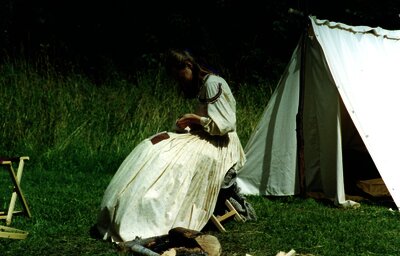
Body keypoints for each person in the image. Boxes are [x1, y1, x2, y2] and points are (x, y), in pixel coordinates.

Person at [96, 49, 246, 242]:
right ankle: (127, 206)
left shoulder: (213, 84)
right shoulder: (203, 85)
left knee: (170, 160)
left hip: (222, 146)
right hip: (209, 138)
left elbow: (225, 125)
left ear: (189, 66)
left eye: (180, 75)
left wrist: (195, 118)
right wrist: (192, 123)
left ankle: (151, 208)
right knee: (152, 146)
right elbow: (210, 121)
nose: (180, 81)